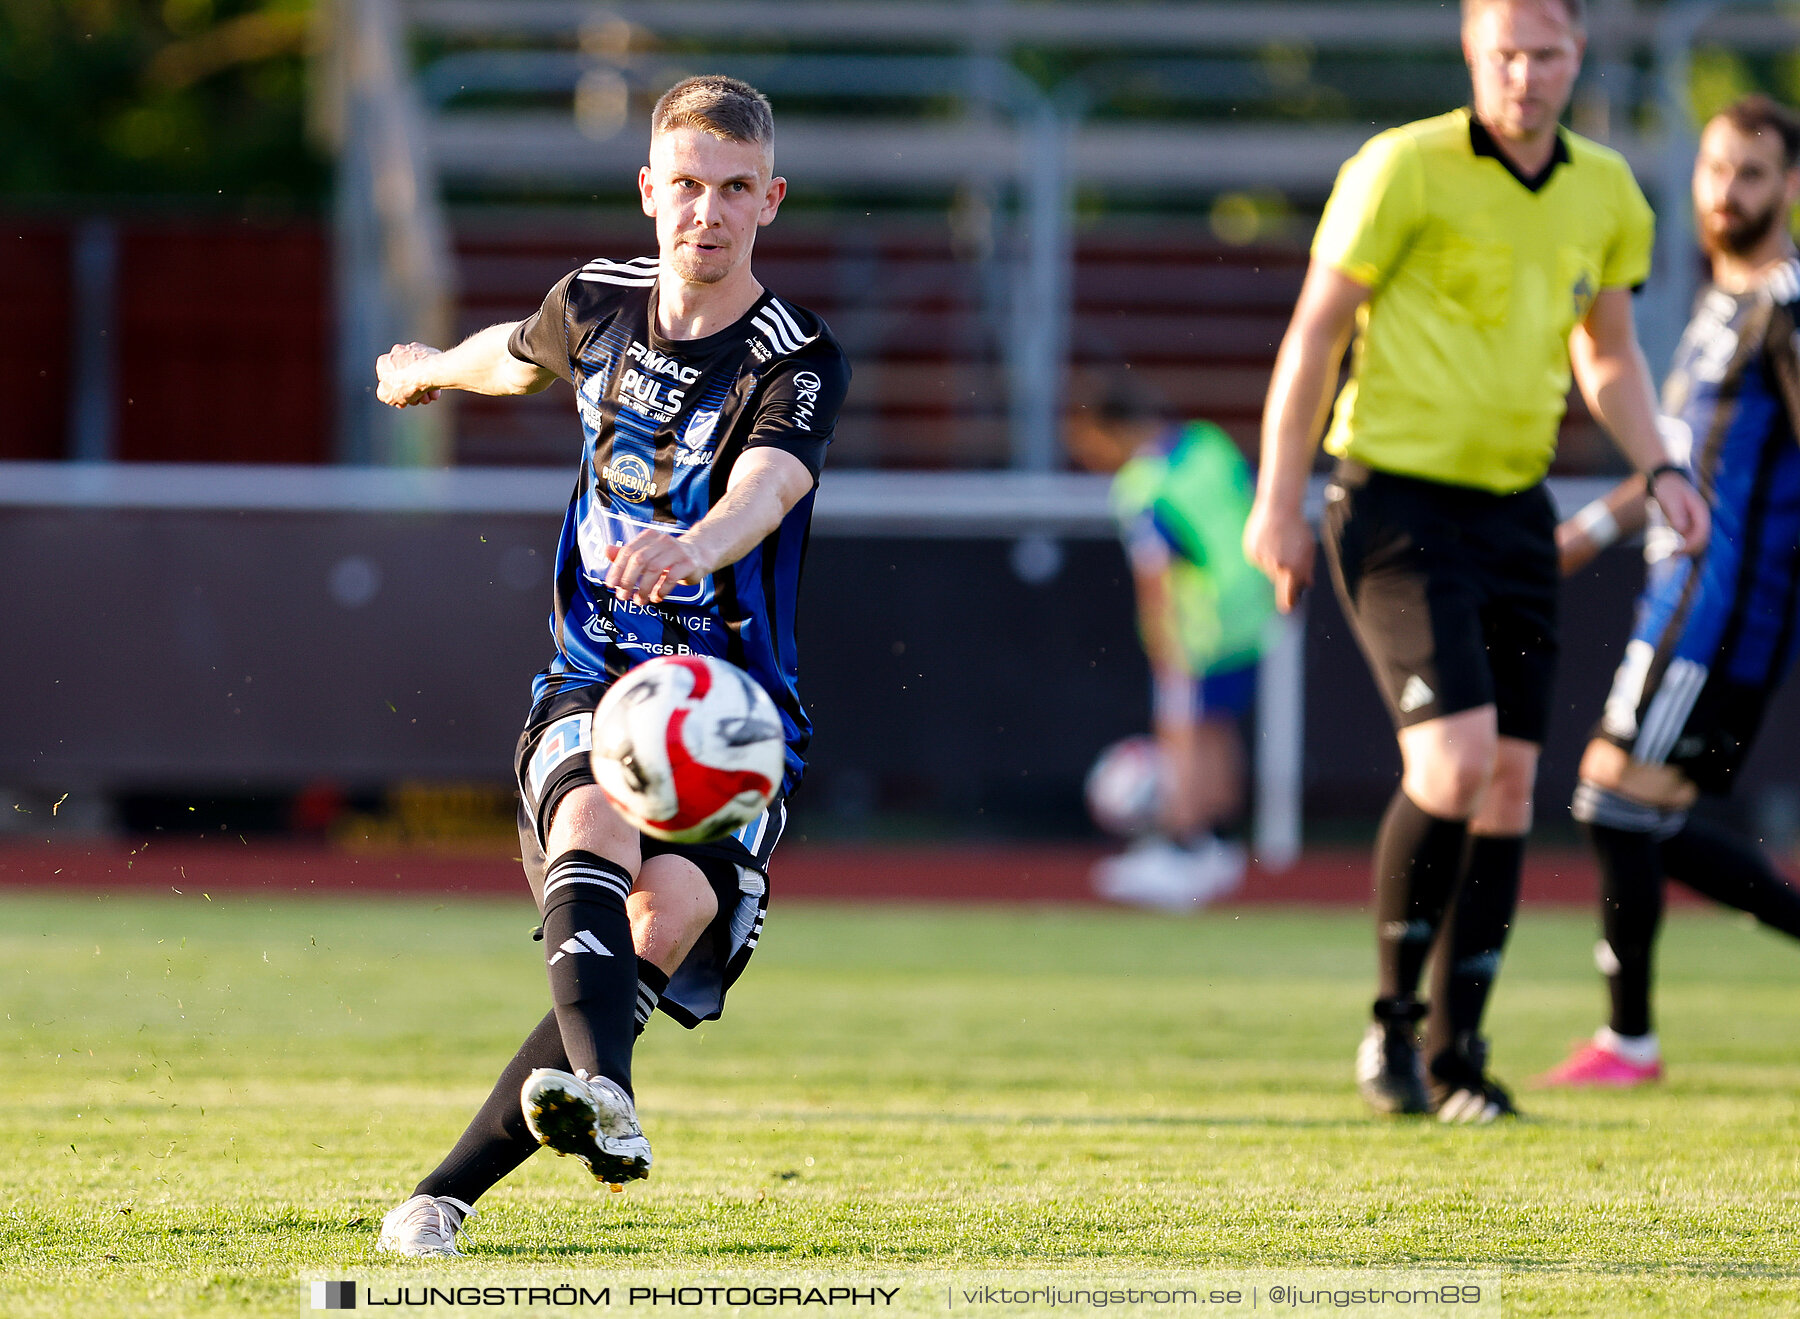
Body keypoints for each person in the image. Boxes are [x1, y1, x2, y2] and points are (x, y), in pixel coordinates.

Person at [366, 75, 849, 1255]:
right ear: (649, 190)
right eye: (686, 185)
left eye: (736, 189)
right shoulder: (594, 303)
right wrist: (431, 365)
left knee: (672, 909)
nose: (708, 212)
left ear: (770, 201)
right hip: (596, 672)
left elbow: (768, 488)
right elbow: (514, 358)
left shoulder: (797, 360)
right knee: (592, 824)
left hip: (733, 707)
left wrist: (693, 542)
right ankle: (602, 1110)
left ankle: (450, 1187)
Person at [1243, 0, 1710, 1122]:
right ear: (1472, 53)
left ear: (1576, 56)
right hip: (1392, 500)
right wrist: (1277, 500)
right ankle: (1392, 1027)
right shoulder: (1401, 167)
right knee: (1450, 765)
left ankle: (1460, 1057)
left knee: (1505, 786)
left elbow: (1605, 354)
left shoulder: (1607, 190)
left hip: (1514, 510)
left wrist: (1661, 465)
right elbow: (1317, 333)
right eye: (1505, 52)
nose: (1525, 73)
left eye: (1546, 53)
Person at [1540, 95, 1800, 1088]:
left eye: (1753, 173)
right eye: (1715, 168)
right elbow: (1680, 461)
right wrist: (1593, 528)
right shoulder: (1717, 305)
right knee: (1623, 806)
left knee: (1614, 802)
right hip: (1681, 593)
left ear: (1790, 187)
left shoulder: (1784, 299)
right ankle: (1628, 1040)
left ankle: (1629, 1041)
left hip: (1727, 606)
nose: (1727, 191)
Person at [1069, 382, 1275, 908]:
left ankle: (1182, 853)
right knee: (1217, 730)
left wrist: (1161, 643)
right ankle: (1219, 847)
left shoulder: (1142, 485)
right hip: (1252, 607)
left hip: (1198, 623)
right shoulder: (1209, 443)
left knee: (1182, 733)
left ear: (1110, 430)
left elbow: (1154, 575)